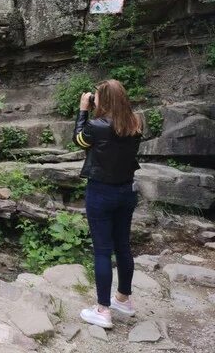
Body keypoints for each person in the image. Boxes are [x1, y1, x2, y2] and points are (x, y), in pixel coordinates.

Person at [74, 79, 142, 329]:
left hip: (101, 192)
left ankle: (103, 310)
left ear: (105, 100)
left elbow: (79, 140)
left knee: (102, 250)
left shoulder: (96, 125)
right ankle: (123, 299)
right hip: (126, 191)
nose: (95, 100)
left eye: (98, 97)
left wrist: (83, 110)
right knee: (123, 246)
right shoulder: (136, 123)